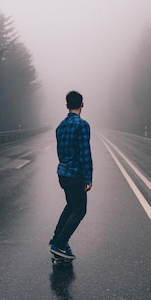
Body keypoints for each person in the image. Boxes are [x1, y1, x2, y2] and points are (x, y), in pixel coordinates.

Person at [49, 90, 93, 260]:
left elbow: (60, 151)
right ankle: (59, 245)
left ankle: (56, 238)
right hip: (75, 175)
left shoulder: (60, 126)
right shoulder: (82, 125)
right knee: (79, 210)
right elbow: (85, 153)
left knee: (70, 205)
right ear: (82, 104)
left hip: (63, 174)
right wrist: (88, 178)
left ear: (67, 105)